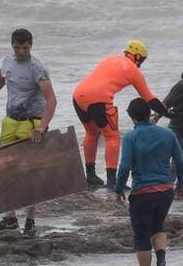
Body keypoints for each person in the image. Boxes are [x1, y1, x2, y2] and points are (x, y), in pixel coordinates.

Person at [0, 28, 57, 237]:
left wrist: (42, 126)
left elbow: (51, 100)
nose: (20, 52)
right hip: (10, 121)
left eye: (24, 48)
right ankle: (10, 219)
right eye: (17, 48)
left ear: (30, 46)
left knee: (29, 172)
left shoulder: (37, 68)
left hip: (31, 123)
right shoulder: (7, 62)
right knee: (5, 170)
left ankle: (30, 221)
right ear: (12, 46)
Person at [72, 40, 168, 189]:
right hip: (99, 99)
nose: (141, 63)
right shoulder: (133, 70)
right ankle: (112, 181)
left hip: (78, 95)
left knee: (91, 134)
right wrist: (167, 113)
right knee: (112, 137)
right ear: (137, 56)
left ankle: (90, 176)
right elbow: (149, 99)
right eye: (142, 60)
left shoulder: (109, 58)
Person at [114, 97, 183, 266]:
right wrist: (180, 185)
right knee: (158, 227)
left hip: (142, 192)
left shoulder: (131, 137)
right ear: (149, 114)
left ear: (132, 117)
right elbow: (179, 162)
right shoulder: (168, 133)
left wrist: (118, 188)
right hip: (165, 191)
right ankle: (161, 261)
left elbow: (125, 167)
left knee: (141, 235)